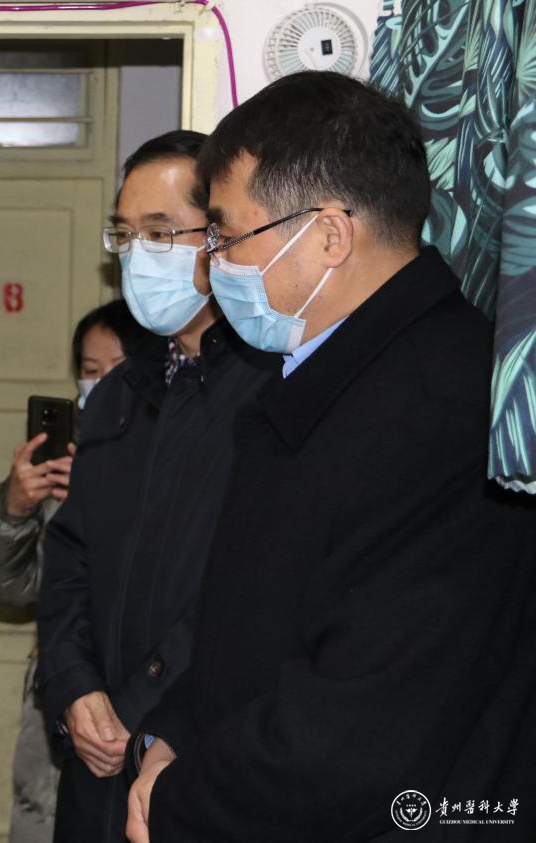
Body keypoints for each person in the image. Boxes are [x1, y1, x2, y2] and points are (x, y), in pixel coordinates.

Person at [126, 71, 536, 842]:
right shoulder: (316, 376)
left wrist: (179, 800)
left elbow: (359, 737)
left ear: (327, 236)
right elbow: (241, 629)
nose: (210, 265)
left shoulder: (439, 412)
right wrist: (169, 734)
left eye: (225, 237)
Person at [36, 129, 281, 842]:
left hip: (199, 749)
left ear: (223, 235)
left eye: (160, 231)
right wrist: (75, 687)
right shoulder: (117, 394)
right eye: (124, 233)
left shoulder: (274, 388)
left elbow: (251, 580)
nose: (137, 253)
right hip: (95, 756)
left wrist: (140, 703)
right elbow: (69, 558)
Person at [0, 300, 147, 843]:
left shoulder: (184, 452)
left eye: (118, 368)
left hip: (147, 703)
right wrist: (14, 508)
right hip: (62, 704)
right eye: (91, 371)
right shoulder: (67, 456)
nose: (103, 383)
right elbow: (5, 585)